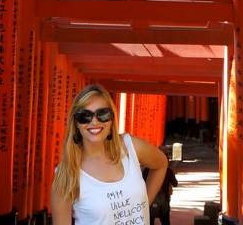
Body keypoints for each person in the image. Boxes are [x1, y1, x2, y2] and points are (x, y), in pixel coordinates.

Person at [51, 84, 169, 225]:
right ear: (75, 123)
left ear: (112, 118)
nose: (94, 121)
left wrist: (142, 205)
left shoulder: (130, 147)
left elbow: (161, 164)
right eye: (85, 116)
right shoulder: (66, 174)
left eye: (103, 114)